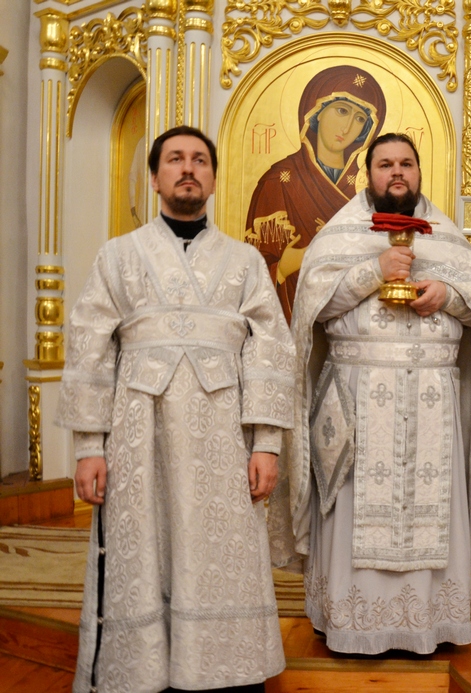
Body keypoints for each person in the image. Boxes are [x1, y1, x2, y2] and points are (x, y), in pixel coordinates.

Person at [58, 126, 296, 693]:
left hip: (224, 439)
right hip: (137, 436)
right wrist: (89, 448)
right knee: (141, 552)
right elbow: (89, 348)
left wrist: (267, 444)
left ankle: (226, 675)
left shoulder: (244, 261)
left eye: (199, 161)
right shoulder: (118, 256)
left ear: (212, 179)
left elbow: (271, 350)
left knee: (223, 555)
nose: (187, 169)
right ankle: (142, 673)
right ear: (155, 177)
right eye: (174, 159)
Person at [283, 133, 471, 654]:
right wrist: (374, 271)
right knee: (352, 508)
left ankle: (426, 623)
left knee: (431, 503)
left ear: (418, 172)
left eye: (406, 164)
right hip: (355, 402)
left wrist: (449, 295)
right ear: (366, 175)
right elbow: (312, 310)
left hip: (433, 401)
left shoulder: (447, 239)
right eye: (385, 164)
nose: (396, 172)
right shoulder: (339, 236)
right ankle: (352, 621)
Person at [245, 65, 387, 321]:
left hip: (357, 322)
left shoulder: (368, 188)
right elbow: (253, 273)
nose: (347, 127)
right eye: (342, 110)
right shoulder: (278, 181)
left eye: (359, 119)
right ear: (316, 111)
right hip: (294, 317)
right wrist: (286, 265)